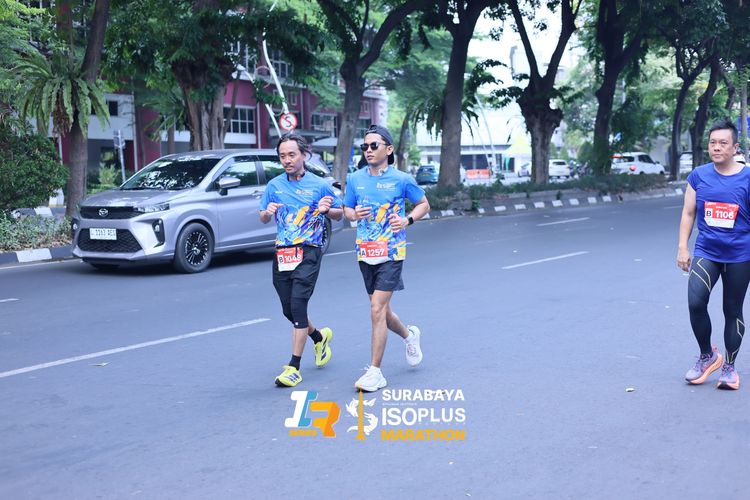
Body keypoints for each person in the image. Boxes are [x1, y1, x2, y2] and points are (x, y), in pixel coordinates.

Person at [343, 124, 431, 392]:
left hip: (392, 251)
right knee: (382, 310)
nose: (368, 150)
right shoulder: (355, 179)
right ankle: (409, 335)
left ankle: (375, 372)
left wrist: (406, 220)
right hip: (365, 250)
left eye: (374, 146)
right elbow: (347, 209)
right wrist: (353, 214)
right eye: (365, 146)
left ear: (389, 149)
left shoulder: (401, 179)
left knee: (376, 309)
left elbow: (424, 204)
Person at [260, 132, 343, 387]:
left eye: (291, 155)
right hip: (283, 252)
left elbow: (340, 213)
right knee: (289, 310)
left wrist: (327, 210)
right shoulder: (274, 186)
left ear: (304, 155)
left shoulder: (319, 185)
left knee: (298, 304)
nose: (287, 160)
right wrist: (267, 212)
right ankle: (319, 338)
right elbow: (262, 216)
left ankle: (293, 367)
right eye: (282, 156)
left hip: (308, 250)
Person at [678, 119, 750, 390]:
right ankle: (707, 355)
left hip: (740, 255)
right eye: (712, 143)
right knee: (695, 302)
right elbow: (688, 213)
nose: (716, 147)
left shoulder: (747, 178)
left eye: (723, 143)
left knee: (732, 309)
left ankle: (729, 367)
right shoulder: (698, 176)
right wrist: (683, 247)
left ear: (735, 148)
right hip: (707, 250)